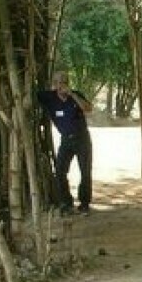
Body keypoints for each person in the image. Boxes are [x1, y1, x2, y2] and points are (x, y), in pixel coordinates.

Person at [37, 71, 94, 216]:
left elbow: (88, 108)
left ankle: (84, 203)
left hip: (82, 139)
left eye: (64, 82)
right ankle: (66, 203)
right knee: (60, 171)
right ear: (54, 84)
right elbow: (30, 96)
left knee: (85, 172)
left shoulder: (75, 95)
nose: (61, 85)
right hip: (66, 140)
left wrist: (73, 95)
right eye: (58, 82)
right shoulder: (49, 98)